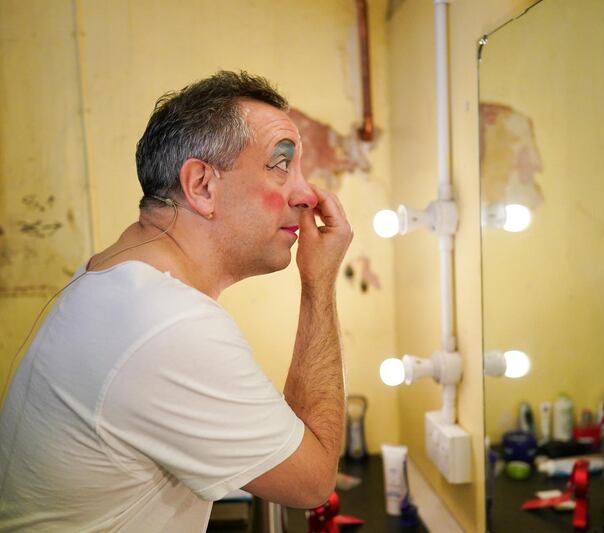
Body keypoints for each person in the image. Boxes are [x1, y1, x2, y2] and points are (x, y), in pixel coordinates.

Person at [0, 71, 353, 531]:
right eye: (280, 164)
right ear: (202, 185)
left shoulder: (111, 277)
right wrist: (318, 283)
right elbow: (311, 484)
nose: (307, 194)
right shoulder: (170, 325)